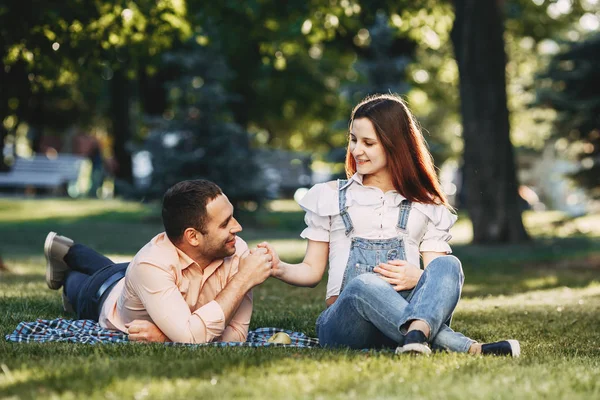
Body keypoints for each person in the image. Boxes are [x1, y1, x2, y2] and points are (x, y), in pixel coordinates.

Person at [258, 94, 520, 356]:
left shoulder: (425, 204)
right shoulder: (330, 196)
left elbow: (437, 280)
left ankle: (415, 335)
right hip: (345, 326)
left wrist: (415, 276)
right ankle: (466, 347)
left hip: (401, 314)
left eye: (368, 143)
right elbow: (311, 271)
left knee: (449, 264)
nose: (356, 150)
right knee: (364, 284)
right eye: (353, 139)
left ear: (394, 145)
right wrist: (278, 268)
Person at [44, 179, 273, 343]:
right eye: (225, 224)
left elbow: (236, 337)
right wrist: (243, 280)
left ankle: (69, 249)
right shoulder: (150, 265)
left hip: (137, 280)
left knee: (113, 268)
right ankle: (66, 260)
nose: (238, 227)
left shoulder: (233, 249)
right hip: (102, 293)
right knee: (79, 284)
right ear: (192, 236)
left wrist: (166, 336)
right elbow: (192, 337)